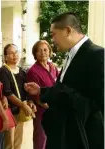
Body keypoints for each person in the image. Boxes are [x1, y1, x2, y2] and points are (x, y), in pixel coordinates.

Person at [25, 12, 104, 149]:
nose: (52, 40)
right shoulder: (71, 54)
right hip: (63, 133)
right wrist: (41, 90)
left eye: (53, 34)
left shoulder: (96, 54)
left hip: (79, 136)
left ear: (67, 30)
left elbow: (96, 103)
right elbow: (63, 87)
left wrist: (60, 93)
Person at [0, 44, 36, 149]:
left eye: (16, 52)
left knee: (18, 142)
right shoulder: (3, 71)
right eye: (11, 53)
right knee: (9, 143)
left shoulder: (22, 71)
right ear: (5, 57)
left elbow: (26, 90)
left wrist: (30, 102)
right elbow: (8, 93)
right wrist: (23, 106)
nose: (15, 55)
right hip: (9, 111)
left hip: (20, 110)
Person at [26, 40, 58, 149]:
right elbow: (36, 97)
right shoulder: (33, 71)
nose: (43, 52)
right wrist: (51, 108)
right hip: (42, 110)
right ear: (35, 54)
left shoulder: (53, 67)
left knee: (54, 138)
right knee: (41, 139)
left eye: (45, 50)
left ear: (49, 52)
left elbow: (58, 85)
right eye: (39, 51)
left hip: (55, 108)